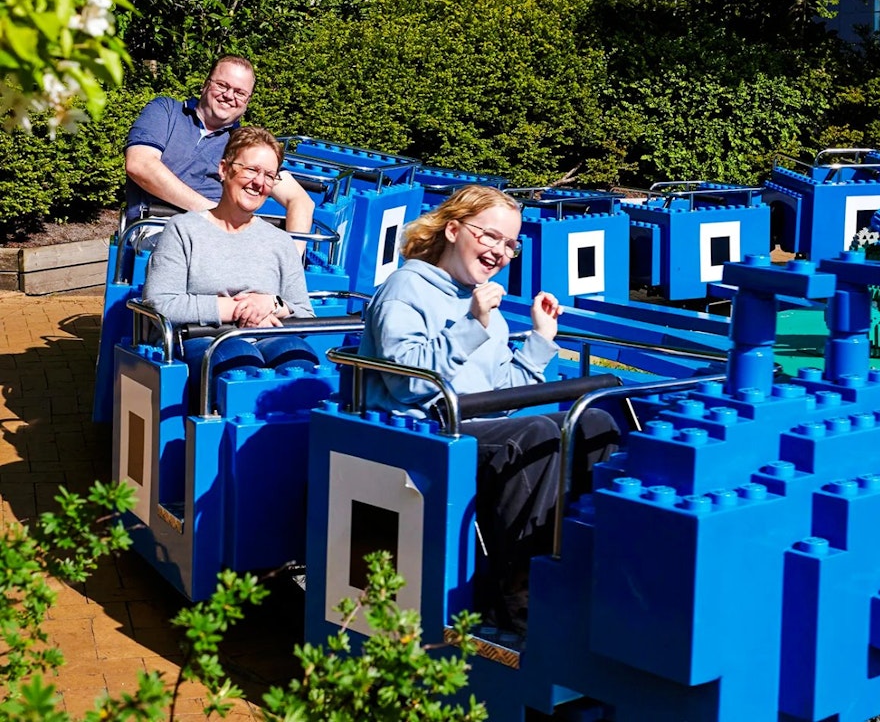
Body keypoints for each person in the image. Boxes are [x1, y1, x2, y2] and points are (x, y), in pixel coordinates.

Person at [359, 184, 620, 632]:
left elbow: (508, 391)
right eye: (490, 237)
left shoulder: (485, 307)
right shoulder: (407, 287)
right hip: (421, 431)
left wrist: (541, 339)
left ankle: (583, 564)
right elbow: (405, 383)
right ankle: (514, 594)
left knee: (594, 423)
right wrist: (472, 324)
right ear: (455, 229)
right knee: (535, 437)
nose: (499, 251)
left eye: (509, 244)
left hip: (478, 428)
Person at [125, 55, 314, 250]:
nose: (229, 96)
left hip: (220, 235)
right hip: (158, 224)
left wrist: (292, 259)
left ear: (247, 101)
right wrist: (212, 213)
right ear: (205, 85)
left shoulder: (244, 143)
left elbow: (300, 200)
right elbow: (139, 165)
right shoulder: (166, 111)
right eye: (222, 85)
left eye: (240, 93)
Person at [143, 126, 315, 336]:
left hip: (270, 338)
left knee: (297, 357)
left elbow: (305, 314)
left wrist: (272, 303)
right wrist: (239, 310)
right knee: (239, 358)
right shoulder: (183, 230)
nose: (259, 182)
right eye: (251, 170)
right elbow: (161, 303)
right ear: (224, 170)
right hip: (201, 339)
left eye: (269, 175)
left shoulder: (280, 241)